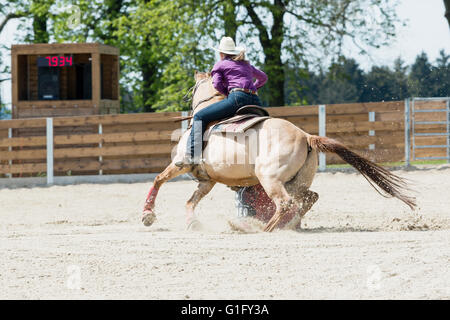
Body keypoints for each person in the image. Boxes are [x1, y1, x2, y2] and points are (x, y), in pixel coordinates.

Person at [175, 36, 268, 168]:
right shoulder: (246, 64)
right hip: (255, 100)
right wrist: (253, 88)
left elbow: (217, 84)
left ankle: (191, 155)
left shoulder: (220, 64)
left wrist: (230, 93)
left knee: (199, 116)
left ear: (221, 53)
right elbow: (263, 78)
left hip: (237, 98)